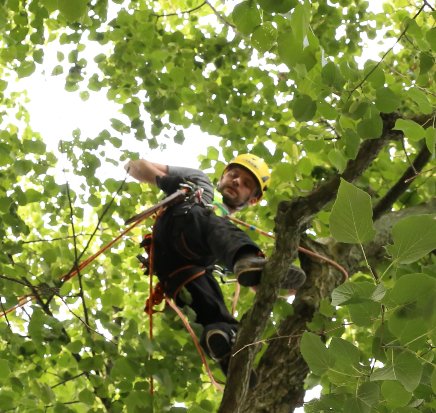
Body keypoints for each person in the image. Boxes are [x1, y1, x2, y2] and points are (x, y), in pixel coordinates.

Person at [124, 154, 306, 371]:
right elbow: (133, 165)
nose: (236, 181)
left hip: (178, 268)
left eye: (246, 183)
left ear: (252, 200)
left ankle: (225, 345)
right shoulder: (201, 183)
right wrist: (165, 182)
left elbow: (255, 281)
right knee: (219, 228)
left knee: (209, 300)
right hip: (181, 222)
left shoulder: (223, 239)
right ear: (222, 178)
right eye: (233, 175)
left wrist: (278, 285)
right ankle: (247, 257)